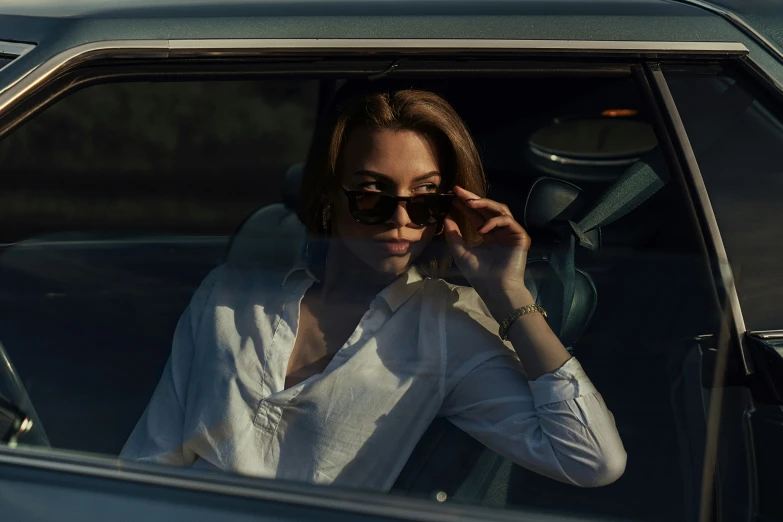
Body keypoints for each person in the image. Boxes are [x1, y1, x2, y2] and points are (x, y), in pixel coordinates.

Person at [122, 86, 626, 491]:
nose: (401, 221)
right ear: (329, 197)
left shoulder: (448, 328)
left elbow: (592, 459)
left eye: (426, 199)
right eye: (371, 196)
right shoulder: (228, 296)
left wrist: (509, 295)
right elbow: (148, 463)